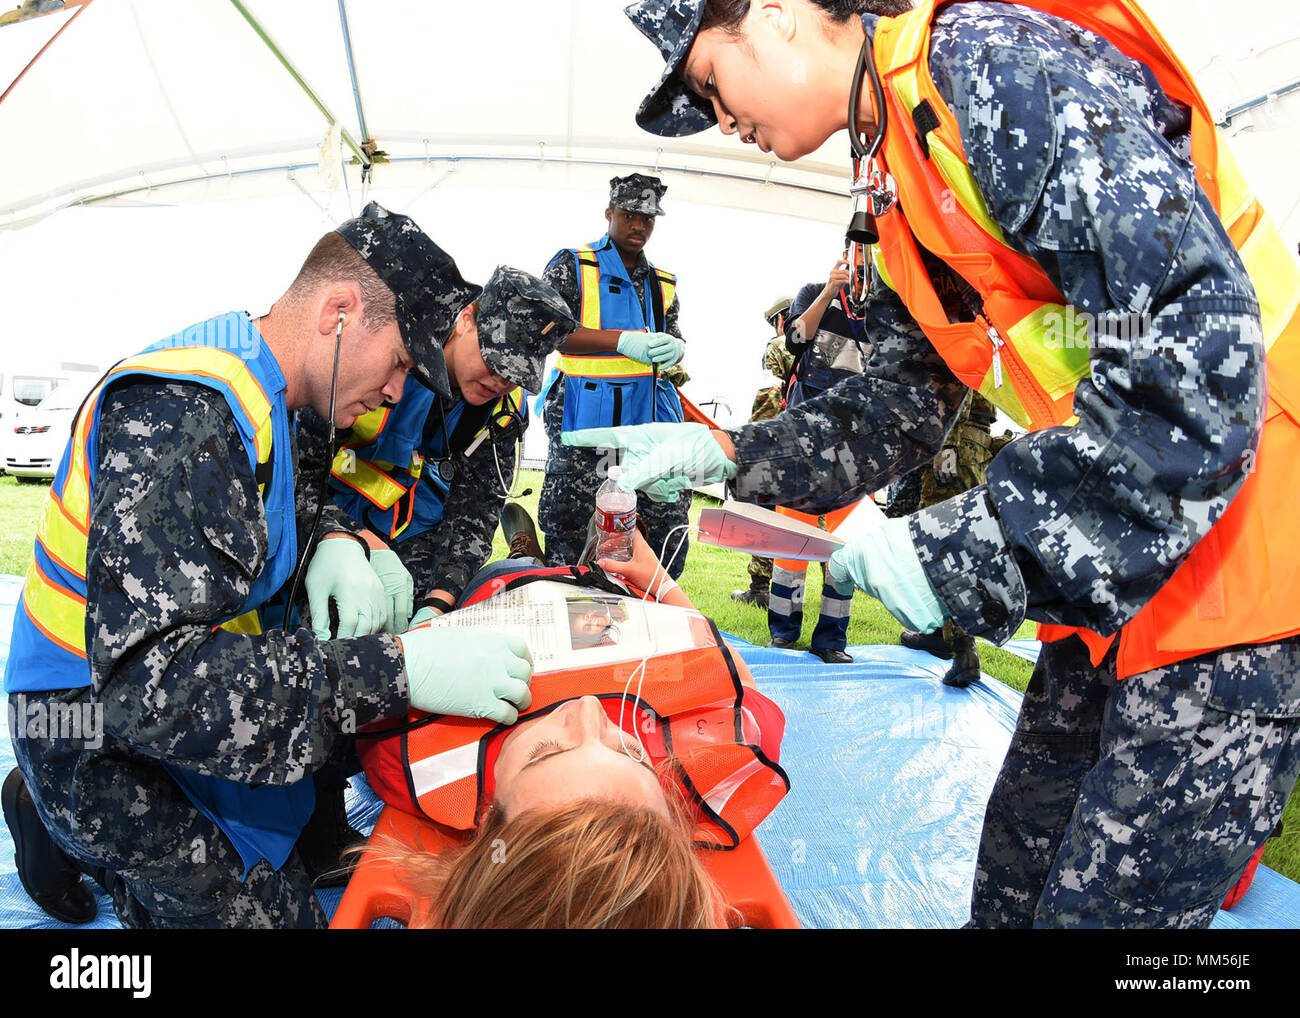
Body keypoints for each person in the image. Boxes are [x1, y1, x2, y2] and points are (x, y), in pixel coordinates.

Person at [576, 0, 1300, 928]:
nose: (720, 121)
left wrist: (975, 550)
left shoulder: (986, 66)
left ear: (778, 15)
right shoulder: (892, 167)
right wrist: (725, 449)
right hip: (1123, 585)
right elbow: (899, 404)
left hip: (1238, 573)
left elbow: (1194, 343)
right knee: (1010, 892)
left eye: (711, 83)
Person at [1, 203, 536, 929]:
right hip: (85, 727)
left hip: (143, 706)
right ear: (339, 312)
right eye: (402, 363)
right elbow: (150, 693)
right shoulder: (186, 413)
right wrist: (399, 669)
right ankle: (69, 821)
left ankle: (136, 867)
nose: (397, 393)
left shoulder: (271, 397)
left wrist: (339, 540)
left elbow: (266, 530)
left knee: (376, 728)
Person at [356, 515, 789, 928]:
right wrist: (658, 577)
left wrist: (425, 627)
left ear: (488, 820)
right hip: (607, 595)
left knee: (518, 565)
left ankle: (525, 553)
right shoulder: (684, 775)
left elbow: (381, 675)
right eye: (631, 753)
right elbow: (734, 680)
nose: (587, 709)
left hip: (503, 590)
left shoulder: (414, 760)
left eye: (546, 751)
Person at [296, 266, 577, 630]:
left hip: (417, 530)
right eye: (495, 361)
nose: (501, 381)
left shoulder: (504, 412)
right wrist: (352, 539)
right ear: (464, 320)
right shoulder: (379, 355)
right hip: (326, 518)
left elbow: (473, 516)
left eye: (517, 374)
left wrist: (437, 607)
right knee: (336, 625)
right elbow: (293, 477)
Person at [538, 173, 693, 579]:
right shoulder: (574, 265)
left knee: (667, 526)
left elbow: (670, 335)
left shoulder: (663, 282)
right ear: (609, 213)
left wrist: (675, 347)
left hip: (645, 420)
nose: (639, 225)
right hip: (582, 418)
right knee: (568, 527)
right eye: (629, 215)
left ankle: (650, 602)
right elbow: (547, 331)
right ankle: (565, 600)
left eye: (648, 218)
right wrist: (621, 340)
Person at [765, 259, 874, 663]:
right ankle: (783, 634)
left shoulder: (885, 310)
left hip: (856, 448)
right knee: (790, 543)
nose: (866, 267)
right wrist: (830, 291)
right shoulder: (814, 292)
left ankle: (831, 641)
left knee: (844, 551)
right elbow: (794, 339)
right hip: (802, 441)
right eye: (860, 257)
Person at [899, 390, 1011, 686]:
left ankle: (964, 649)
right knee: (959, 547)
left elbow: (958, 385)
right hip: (973, 445)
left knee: (943, 549)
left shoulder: (955, 342)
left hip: (956, 443)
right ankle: (941, 635)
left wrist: (947, 443)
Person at [731, 296, 795, 608]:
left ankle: (760, 588)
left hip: (778, 444)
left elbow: (769, 395)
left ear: (782, 320)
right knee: (813, 518)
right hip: (815, 444)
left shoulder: (778, 345)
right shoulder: (823, 344)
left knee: (765, 512)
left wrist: (750, 443)